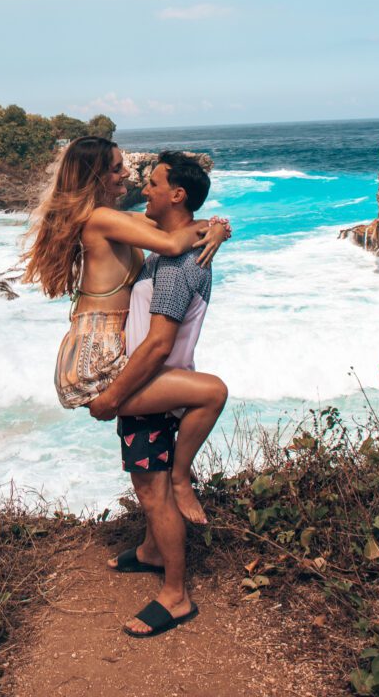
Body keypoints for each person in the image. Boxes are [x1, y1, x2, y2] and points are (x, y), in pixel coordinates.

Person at [22, 136, 229, 529]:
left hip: (104, 348)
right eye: (117, 168)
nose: (127, 174)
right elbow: (172, 241)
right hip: (97, 356)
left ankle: (155, 545)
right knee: (209, 394)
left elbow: (179, 224)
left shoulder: (114, 219)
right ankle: (181, 484)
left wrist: (217, 227)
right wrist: (212, 230)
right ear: (96, 175)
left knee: (149, 476)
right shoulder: (102, 220)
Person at [87, 151, 228, 638]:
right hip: (153, 383)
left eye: (153, 183)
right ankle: (150, 551)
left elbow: (158, 344)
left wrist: (112, 398)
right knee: (152, 483)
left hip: (154, 385)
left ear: (177, 195)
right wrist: (215, 225)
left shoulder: (174, 266)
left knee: (155, 490)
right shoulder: (173, 250)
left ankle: (176, 595)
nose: (142, 189)